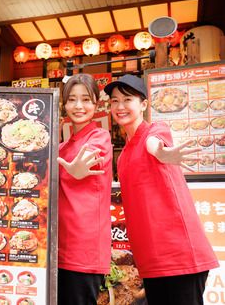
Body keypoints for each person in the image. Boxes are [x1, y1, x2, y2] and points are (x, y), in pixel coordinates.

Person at [104, 74, 219, 305]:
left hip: (179, 257)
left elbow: (155, 144)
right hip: (150, 262)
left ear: (144, 104)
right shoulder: (123, 156)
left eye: (127, 99)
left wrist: (162, 152)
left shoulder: (155, 129)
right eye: (114, 101)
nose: (120, 106)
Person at [57, 73, 113, 305]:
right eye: (71, 99)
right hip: (54, 247)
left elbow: (88, 159)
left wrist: (76, 170)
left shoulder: (100, 136)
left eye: (86, 99)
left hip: (83, 250)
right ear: (64, 104)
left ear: (96, 104)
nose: (78, 106)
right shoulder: (60, 146)